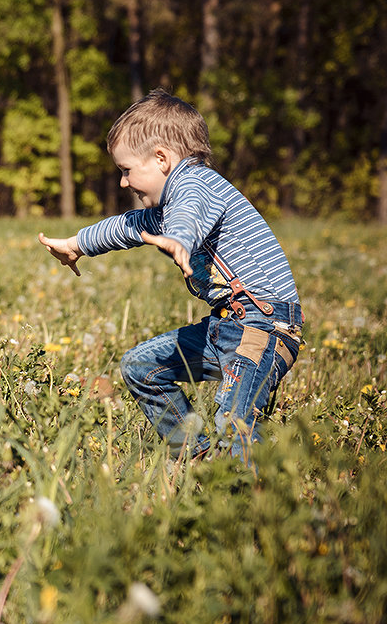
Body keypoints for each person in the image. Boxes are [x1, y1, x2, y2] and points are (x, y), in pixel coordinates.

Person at [37, 89, 303, 462]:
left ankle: (252, 509)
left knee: (236, 427)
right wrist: (77, 244)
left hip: (262, 327)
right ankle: (197, 457)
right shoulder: (169, 203)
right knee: (140, 367)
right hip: (229, 325)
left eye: (127, 170)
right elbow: (126, 226)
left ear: (161, 158)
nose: (123, 183)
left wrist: (179, 238)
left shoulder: (195, 185)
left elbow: (189, 214)